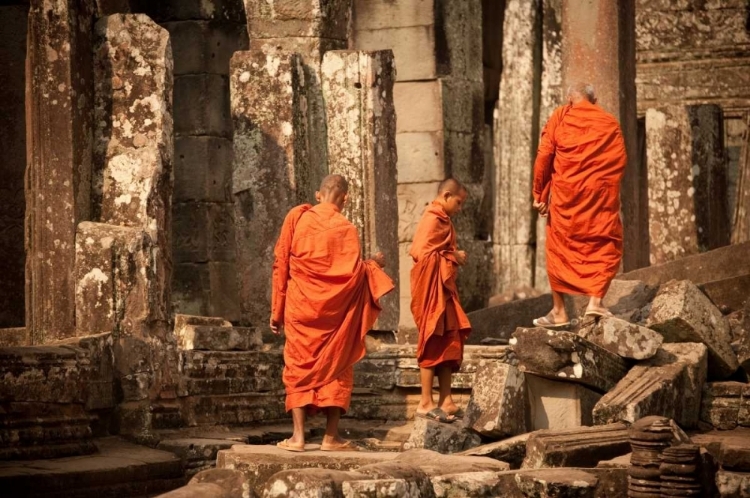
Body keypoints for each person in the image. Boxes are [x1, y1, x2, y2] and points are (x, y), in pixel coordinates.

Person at [270, 174, 394, 451]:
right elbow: (351, 275)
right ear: (346, 198)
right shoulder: (347, 229)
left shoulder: (298, 219)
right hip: (335, 315)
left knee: (297, 366)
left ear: (317, 195)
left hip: (300, 309)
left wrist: (276, 311)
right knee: (338, 365)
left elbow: (281, 266)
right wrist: (373, 264)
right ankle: (330, 437)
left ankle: (298, 438)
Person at [531, 82, 627, 328]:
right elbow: (619, 161)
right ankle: (595, 302)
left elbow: (544, 156)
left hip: (566, 199)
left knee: (558, 249)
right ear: (593, 101)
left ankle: (559, 311)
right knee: (605, 243)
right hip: (599, 198)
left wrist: (539, 194)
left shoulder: (561, 117)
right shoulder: (609, 123)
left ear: (569, 100)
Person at [409, 178, 472, 424]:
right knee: (432, 340)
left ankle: (446, 399)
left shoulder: (444, 219)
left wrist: (450, 256)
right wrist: (452, 255)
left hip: (444, 292)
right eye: (458, 202)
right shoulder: (432, 218)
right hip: (430, 291)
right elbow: (420, 254)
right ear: (446, 195)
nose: (460, 208)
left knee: (451, 340)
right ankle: (425, 402)